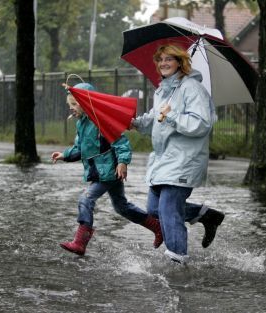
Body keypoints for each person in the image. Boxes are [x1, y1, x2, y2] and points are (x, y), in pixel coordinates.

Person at [131, 45, 225, 264]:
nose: (163, 63)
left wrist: (172, 116)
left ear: (180, 62)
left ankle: (177, 261)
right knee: (154, 209)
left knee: (168, 209)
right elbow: (156, 119)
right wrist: (136, 124)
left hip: (184, 159)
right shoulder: (164, 90)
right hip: (164, 160)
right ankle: (207, 215)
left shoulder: (192, 88)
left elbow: (202, 124)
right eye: (160, 59)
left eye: (169, 59)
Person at [51, 82, 162, 256]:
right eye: (69, 105)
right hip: (101, 172)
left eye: (74, 104)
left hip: (108, 172)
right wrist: (65, 155)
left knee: (86, 199)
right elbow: (80, 148)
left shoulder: (100, 120)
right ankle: (157, 227)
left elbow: (121, 142)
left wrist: (122, 162)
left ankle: (80, 242)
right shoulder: (81, 124)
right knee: (121, 207)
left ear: (86, 103)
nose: (71, 108)